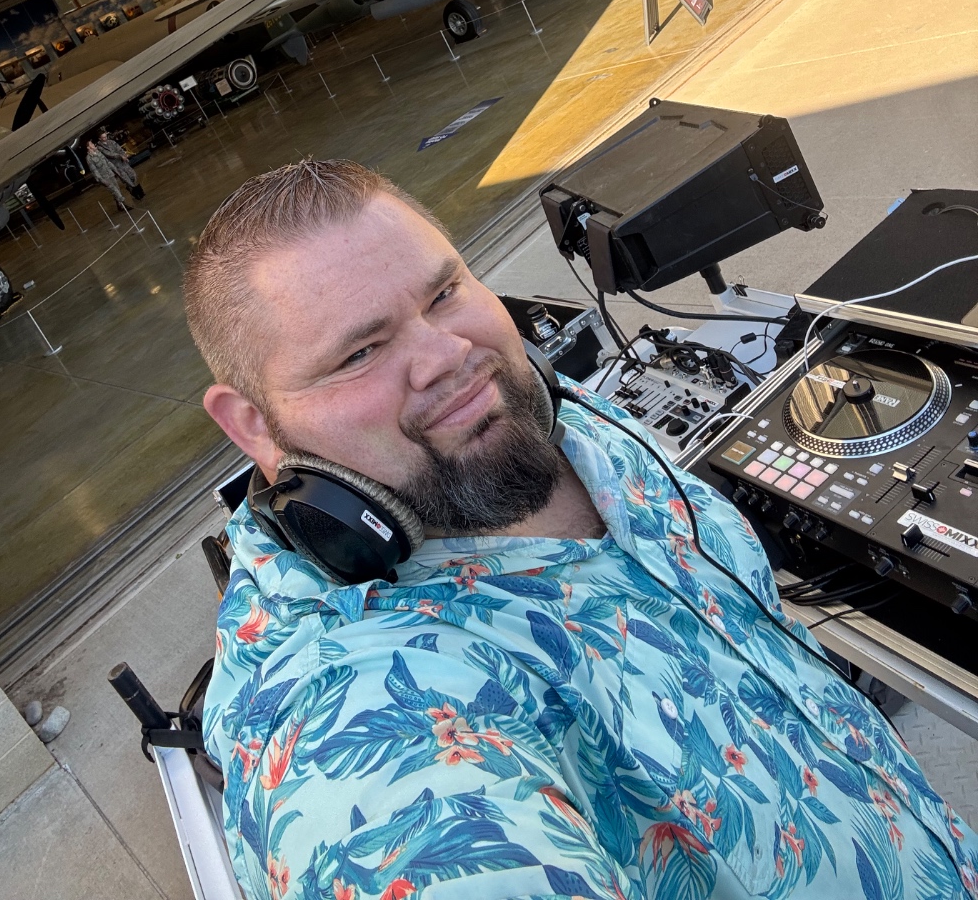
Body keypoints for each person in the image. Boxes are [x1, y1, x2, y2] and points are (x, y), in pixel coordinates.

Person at [184, 159, 978, 900]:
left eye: (444, 293)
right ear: (253, 426)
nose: (450, 357)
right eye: (361, 351)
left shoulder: (542, 414)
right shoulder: (344, 722)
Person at [84, 129, 144, 212]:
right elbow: (95, 171)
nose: (93, 144)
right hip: (105, 177)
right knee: (116, 191)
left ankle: (120, 205)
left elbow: (107, 162)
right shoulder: (90, 158)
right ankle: (123, 205)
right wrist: (102, 180)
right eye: (91, 144)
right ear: (88, 147)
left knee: (118, 189)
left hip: (111, 173)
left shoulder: (98, 152)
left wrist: (115, 169)